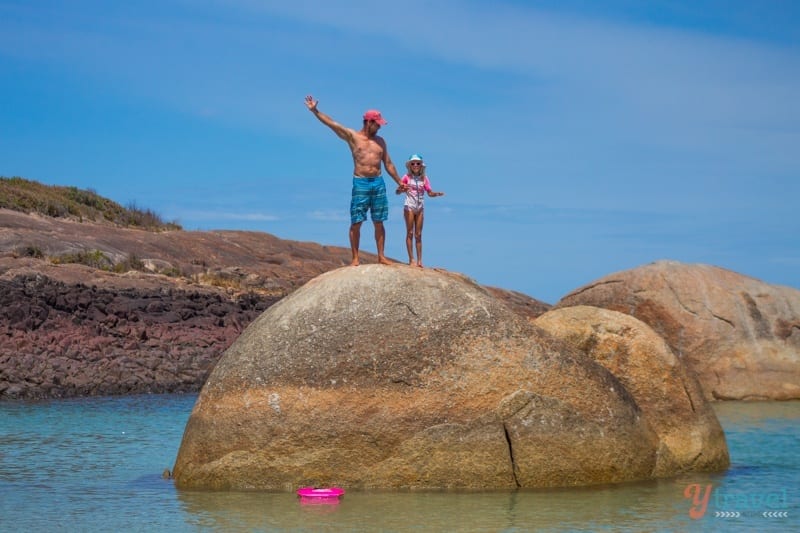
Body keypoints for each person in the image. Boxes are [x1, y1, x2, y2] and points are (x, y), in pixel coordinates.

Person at [304, 95, 406, 266]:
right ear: (368, 122)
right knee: (356, 221)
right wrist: (315, 111)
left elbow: (388, 163)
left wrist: (399, 182)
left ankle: (381, 256)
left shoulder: (380, 141)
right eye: (377, 124)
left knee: (379, 221)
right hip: (361, 182)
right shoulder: (353, 137)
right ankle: (355, 258)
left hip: (378, 182)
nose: (379, 127)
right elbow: (332, 124)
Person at [396, 154, 444, 267]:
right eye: (413, 163)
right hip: (409, 206)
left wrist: (436, 194)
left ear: (421, 165)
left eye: (418, 163)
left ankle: (420, 261)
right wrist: (401, 189)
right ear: (410, 165)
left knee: (418, 234)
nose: (415, 165)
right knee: (410, 232)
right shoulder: (406, 177)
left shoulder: (424, 178)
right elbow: (397, 192)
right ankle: (411, 259)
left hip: (420, 207)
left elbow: (430, 193)